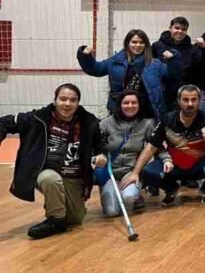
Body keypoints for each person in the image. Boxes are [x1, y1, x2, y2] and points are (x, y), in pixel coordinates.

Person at [0, 84, 106, 239]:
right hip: (46, 172)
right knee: (51, 179)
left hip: (74, 176)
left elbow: (101, 143)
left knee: (75, 220)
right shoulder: (37, 118)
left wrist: (102, 154)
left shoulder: (89, 122)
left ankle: (56, 207)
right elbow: (4, 122)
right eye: (63, 99)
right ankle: (55, 220)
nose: (67, 104)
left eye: (72, 100)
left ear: (78, 103)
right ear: (55, 100)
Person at [120, 85, 205, 206]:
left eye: (194, 99)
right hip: (174, 166)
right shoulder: (167, 119)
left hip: (198, 165)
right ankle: (171, 189)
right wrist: (135, 173)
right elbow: (150, 147)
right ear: (179, 101)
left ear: (199, 101)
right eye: (185, 100)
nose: (190, 104)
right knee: (148, 172)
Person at [96, 90, 170, 216]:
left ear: (139, 105)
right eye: (126, 103)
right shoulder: (105, 123)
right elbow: (95, 145)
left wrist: (166, 159)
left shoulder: (147, 124)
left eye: (134, 103)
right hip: (109, 173)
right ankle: (111, 191)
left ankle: (136, 194)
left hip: (131, 172)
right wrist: (97, 157)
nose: (130, 106)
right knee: (111, 212)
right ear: (119, 104)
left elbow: (155, 145)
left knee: (129, 197)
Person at [77, 29, 180, 120]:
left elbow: (173, 76)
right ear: (127, 43)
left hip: (147, 113)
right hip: (120, 110)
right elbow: (96, 69)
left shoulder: (155, 64)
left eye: (141, 42)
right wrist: (85, 56)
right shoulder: (115, 61)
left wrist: (174, 59)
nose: (138, 45)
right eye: (134, 42)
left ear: (146, 45)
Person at [152, 16, 202, 109]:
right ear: (170, 28)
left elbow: (197, 71)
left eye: (183, 29)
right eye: (177, 28)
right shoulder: (157, 46)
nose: (180, 31)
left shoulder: (192, 49)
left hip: (183, 96)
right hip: (161, 94)